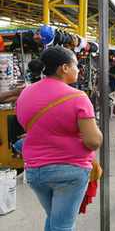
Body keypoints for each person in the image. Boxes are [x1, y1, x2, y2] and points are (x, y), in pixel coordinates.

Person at [16, 46, 102, 231]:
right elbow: (93, 141)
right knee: (63, 225)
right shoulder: (78, 97)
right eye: (76, 65)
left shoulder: (26, 94)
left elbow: (29, 127)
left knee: (55, 219)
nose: (79, 70)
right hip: (69, 171)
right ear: (64, 68)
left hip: (35, 170)